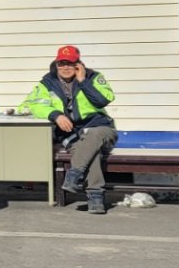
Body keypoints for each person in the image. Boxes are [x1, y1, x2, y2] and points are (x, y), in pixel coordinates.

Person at [24, 46, 117, 214]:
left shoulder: (94, 77)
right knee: (90, 153)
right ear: (56, 64)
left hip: (101, 127)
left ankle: (74, 175)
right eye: (62, 63)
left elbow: (103, 100)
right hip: (72, 133)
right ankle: (95, 197)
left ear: (78, 64)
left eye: (70, 63)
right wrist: (55, 115)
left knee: (93, 136)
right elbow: (34, 104)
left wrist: (83, 81)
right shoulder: (47, 82)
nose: (65, 67)